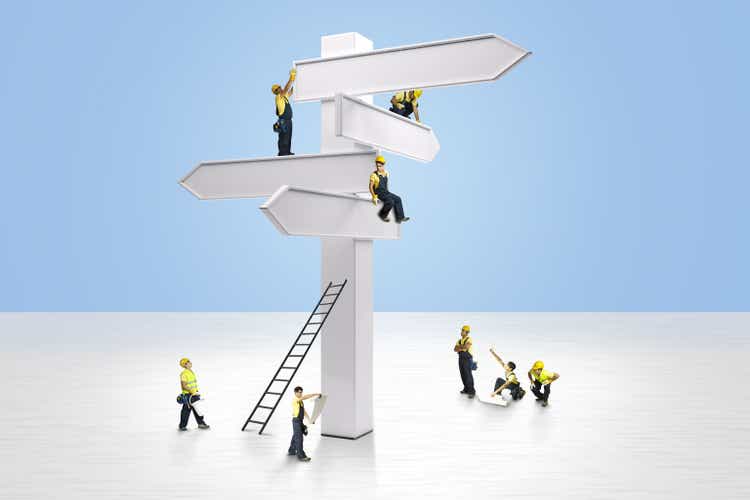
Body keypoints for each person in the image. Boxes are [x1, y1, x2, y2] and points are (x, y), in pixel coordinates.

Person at [369, 155, 410, 223]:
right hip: (379, 193)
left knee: (398, 199)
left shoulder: (386, 173)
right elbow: (370, 186)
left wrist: (388, 192)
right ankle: (382, 215)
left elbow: (386, 183)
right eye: (377, 166)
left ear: (383, 165)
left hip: (385, 192)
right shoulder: (374, 175)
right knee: (390, 201)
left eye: (380, 166)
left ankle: (400, 217)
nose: (378, 167)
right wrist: (374, 196)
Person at [288, 386, 321, 462]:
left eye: (301, 392)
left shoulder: (300, 402)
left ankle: (291, 451)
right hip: (296, 421)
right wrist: (315, 394)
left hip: (300, 421)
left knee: (295, 436)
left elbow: (304, 411)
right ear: (295, 392)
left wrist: (309, 419)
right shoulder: (295, 399)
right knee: (299, 438)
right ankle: (301, 456)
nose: (301, 394)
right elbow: (305, 397)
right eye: (299, 392)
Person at [178, 358, 210, 431]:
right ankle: (182, 426)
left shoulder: (190, 372)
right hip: (188, 395)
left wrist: (196, 391)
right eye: (188, 362)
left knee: (197, 409)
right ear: (185, 365)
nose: (190, 363)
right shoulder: (184, 373)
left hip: (194, 394)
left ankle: (201, 423)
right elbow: (184, 385)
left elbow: (193, 383)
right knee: (186, 411)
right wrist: (192, 391)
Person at [272, 68, 296, 156]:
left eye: (279, 87)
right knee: (283, 138)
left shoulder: (284, 97)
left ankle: (287, 152)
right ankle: (282, 153)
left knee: (288, 137)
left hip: (289, 121)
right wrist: (291, 78)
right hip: (284, 121)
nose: (280, 88)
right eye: (278, 89)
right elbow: (286, 88)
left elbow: (290, 91)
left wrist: (297, 83)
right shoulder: (278, 97)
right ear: (275, 92)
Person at [453, 325, 475, 398]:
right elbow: (455, 349)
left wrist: (460, 347)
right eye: (461, 330)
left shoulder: (469, 339)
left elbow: (467, 347)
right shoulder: (459, 340)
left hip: (467, 359)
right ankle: (466, 389)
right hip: (461, 359)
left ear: (467, 332)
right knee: (462, 374)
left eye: (463, 331)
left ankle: (471, 391)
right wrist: (462, 347)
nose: (461, 332)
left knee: (468, 375)